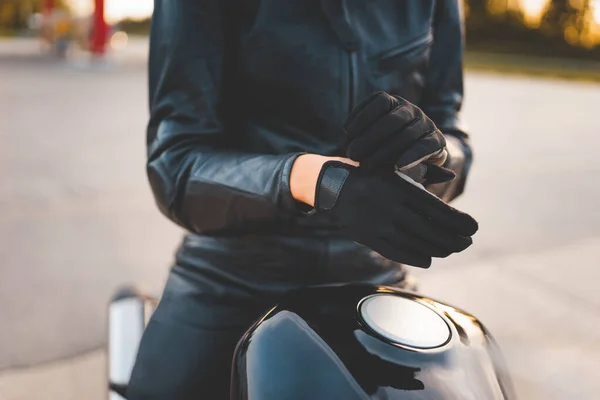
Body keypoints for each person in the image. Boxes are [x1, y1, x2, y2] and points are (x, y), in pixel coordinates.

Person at [128, 1, 477, 399]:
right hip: (229, 276)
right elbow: (176, 165)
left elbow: (454, 136)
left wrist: (434, 156)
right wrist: (316, 179)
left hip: (373, 275)